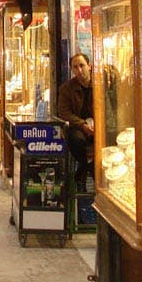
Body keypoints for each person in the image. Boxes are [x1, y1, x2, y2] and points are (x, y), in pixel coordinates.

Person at [58, 52, 94, 188]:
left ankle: (84, 172)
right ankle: (86, 167)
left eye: (82, 66)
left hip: (98, 127)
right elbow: (64, 113)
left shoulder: (100, 85)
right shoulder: (66, 89)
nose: (79, 70)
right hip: (79, 128)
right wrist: (83, 125)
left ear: (89, 66)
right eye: (75, 67)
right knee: (75, 140)